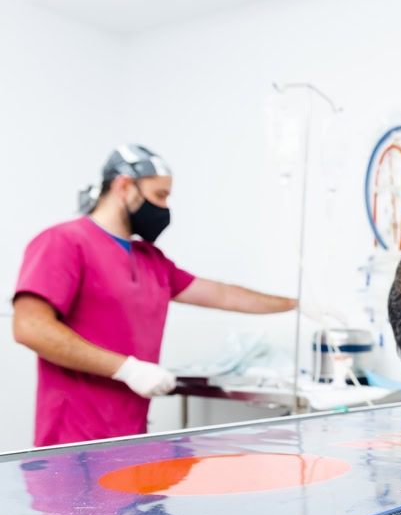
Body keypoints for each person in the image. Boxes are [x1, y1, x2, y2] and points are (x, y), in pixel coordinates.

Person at [12, 145, 297, 447]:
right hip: (74, 437)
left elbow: (224, 295)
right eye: (159, 195)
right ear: (124, 185)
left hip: (130, 432)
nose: (164, 207)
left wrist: (297, 304)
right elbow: (31, 328)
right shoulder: (64, 241)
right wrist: (127, 369)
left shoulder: (151, 259)